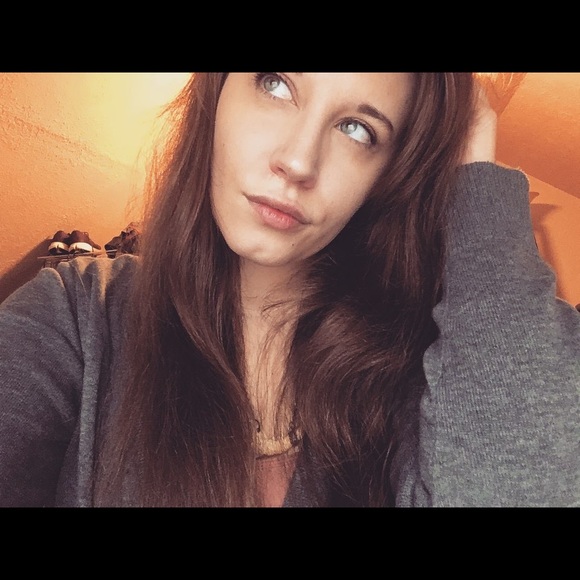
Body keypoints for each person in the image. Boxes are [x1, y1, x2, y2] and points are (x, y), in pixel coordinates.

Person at [0, 73, 578, 507]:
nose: (299, 161)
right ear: (217, 92)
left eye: (357, 129)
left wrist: (474, 161)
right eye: (275, 83)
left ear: (388, 177)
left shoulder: (421, 387)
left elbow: (527, 486)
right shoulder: (75, 317)